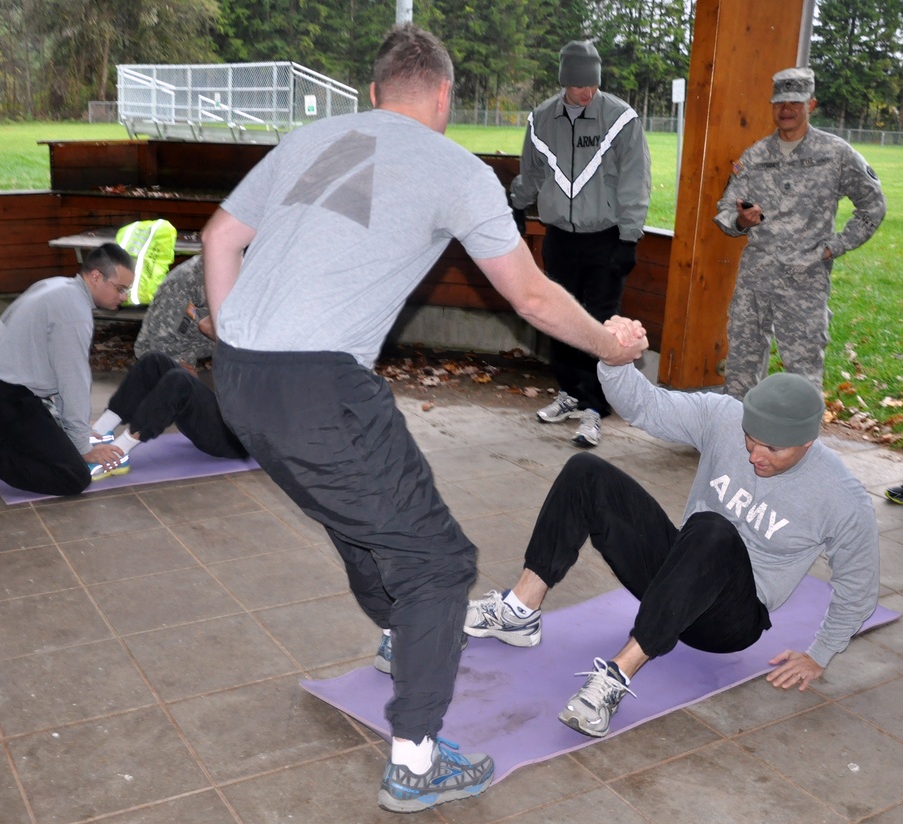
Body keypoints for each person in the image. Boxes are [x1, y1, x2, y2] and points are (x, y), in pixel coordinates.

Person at [201, 24, 647, 814]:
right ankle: (414, 759)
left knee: (364, 520)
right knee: (440, 563)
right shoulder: (455, 167)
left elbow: (219, 238)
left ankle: (402, 638)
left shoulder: (313, 136)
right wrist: (609, 340)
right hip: (321, 388)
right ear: (444, 96)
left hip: (238, 379)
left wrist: (241, 341)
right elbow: (533, 297)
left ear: (374, 94)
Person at [465, 350, 879, 740]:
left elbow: (859, 588)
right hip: (677, 580)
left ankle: (615, 677)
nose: (756, 455)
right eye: (751, 440)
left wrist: (820, 654)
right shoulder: (723, 417)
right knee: (585, 471)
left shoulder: (841, 497)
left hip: (730, 619)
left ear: (807, 443)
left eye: (773, 449)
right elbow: (646, 406)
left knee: (713, 530)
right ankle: (519, 611)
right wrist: (614, 361)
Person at [510, 40, 651, 448]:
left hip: (606, 239)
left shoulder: (621, 119)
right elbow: (532, 172)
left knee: (600, 322)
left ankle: (593, 408)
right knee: (560, 318)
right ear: (563, 82)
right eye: (578, 85)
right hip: (561, 240)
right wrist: (517, 203)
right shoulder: (541, 120)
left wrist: (629, 237)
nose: (586, 92)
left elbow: (634, 181)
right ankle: (570, 393)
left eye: (592, 83)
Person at [715, 67, 886, 400]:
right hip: (756, 277)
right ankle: (734, 438)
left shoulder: (836, 154)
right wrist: (742, 222)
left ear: (812, 104)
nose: (786, 109)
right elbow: (725, 212)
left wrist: (834, 247)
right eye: (780, 102)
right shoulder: (756, 156)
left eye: (796, 101)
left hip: (805, 278)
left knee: (804, 370)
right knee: (741, 367)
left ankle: (801, 448)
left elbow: (873, 206)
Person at [0, 243, 135, 497]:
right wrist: (83, 447)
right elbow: (73, 385)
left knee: (55, 439)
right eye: (121, 289)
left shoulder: (56, 286)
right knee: (73, 476)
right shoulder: (73, 312)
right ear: (97, 276)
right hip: (1, 399)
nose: (125, 297)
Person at [88, 351, 249, 480]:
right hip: (225, 414)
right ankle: (100, 432)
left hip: (236, 439)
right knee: (154, 361)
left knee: (180, 381)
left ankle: (117, 455)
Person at [134, 254, 215, 371]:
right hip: (163, 350)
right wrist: (183, 374)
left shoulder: (232, 269)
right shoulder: (187, 280)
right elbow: (163, 340)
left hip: (186, 340)